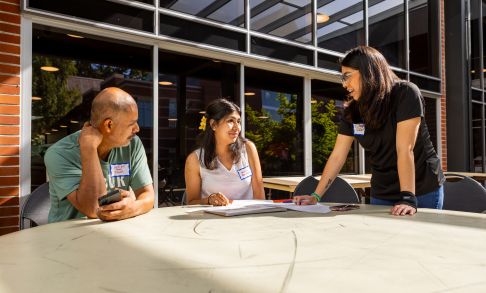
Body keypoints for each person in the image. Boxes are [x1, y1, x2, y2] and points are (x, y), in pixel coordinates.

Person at [294, 46, 445, 216]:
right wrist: (316, 196)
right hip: (383, 190)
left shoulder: (405, 93)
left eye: (347, 76)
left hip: (420, 188)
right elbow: (338, 156)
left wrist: (409, 197)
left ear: (368, 71)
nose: (344, 84)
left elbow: (405, 149)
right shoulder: (353, 111)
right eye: (342, 78)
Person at [45, 87, 154, 222]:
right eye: (132, 124)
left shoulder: (133, 144)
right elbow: (93, 209)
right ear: (109, 125)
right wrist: (89, 149)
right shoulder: (58, 154)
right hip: (66, 236)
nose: (137, 129)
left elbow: (147, 194)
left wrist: (133, 208)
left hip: (114, 233)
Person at [185, 98, 265, 206]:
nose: (237, 127)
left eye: (238, 121)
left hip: (247, 219)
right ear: (213, 125)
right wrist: (209, 200)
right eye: (230, 121)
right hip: (212, 220)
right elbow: (191, 202)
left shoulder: (248, 149)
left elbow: (259, 195)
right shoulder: (194, 159)